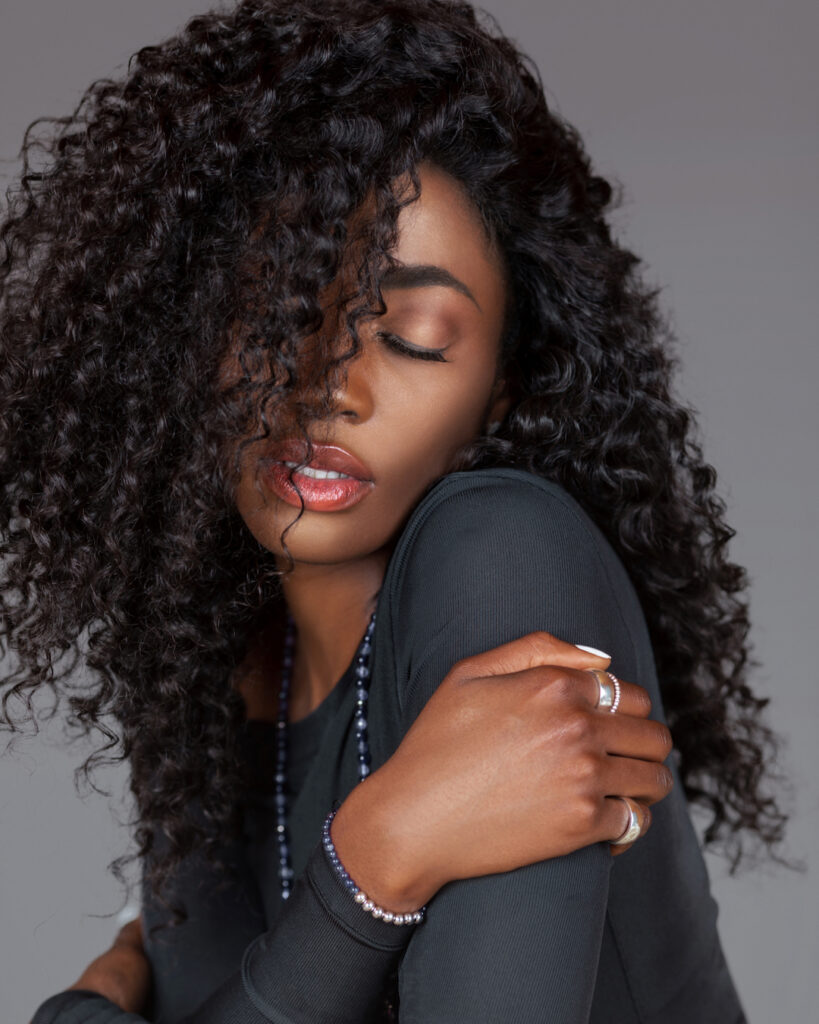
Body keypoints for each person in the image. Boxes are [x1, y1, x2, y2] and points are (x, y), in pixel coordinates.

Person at [0, 1, 787, 1021]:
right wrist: (381, 853)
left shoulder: (503, 559)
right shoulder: (214, 663)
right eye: (280, 312)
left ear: (501, 388)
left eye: (415, 335)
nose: (328, 383)